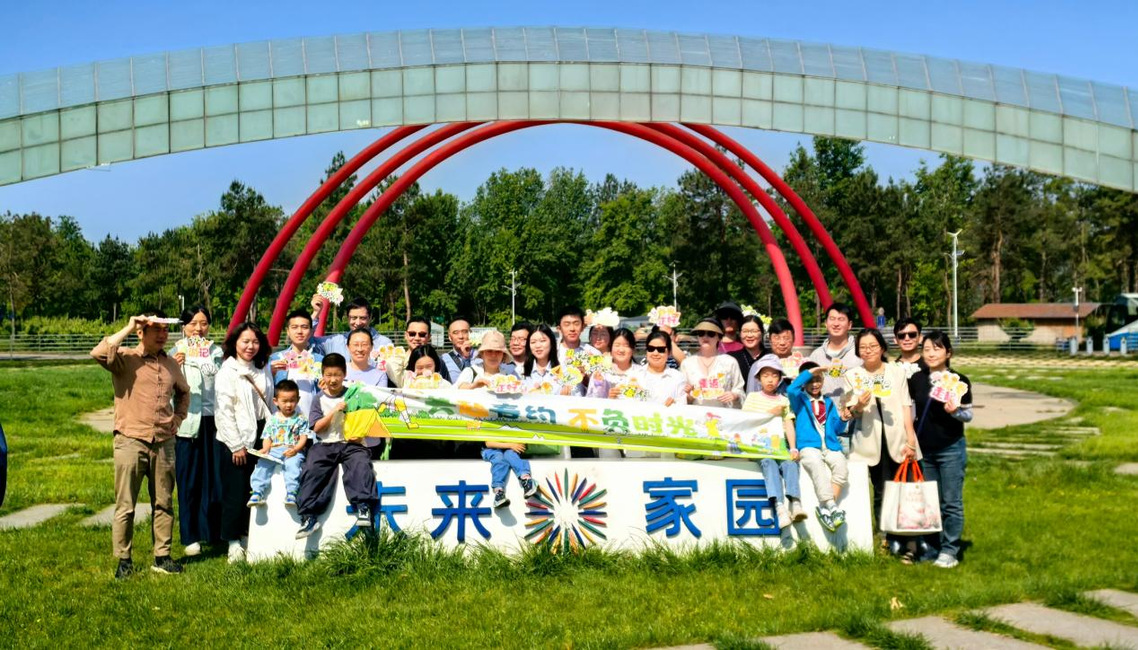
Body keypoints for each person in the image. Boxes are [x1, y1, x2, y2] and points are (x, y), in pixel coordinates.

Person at [91, 312, 190, 578]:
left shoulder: (171, 363)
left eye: (165, 330)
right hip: (131, 439)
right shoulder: (124, 358)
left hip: (164, 442)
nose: (162, 334)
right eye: (155, 329)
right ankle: (124, 560)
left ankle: (162, 556)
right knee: (126, 504)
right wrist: (128, 326)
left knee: (164, 502)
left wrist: (178, 418)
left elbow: (184, 392)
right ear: (141, 332)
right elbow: (98, 353)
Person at [844, 328, 921, 562]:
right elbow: (849, 412)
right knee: (880, 492)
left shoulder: (896, 371)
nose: (868, 351)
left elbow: (906, 405)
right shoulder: (853, 375)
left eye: (872, 346)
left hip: (899, 439)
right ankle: (884, 539)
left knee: (906, 491)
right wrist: (859, 404)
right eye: (863, 347)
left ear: (882, 348)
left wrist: (911, 439)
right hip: (871, 443)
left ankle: (910, 545)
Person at [295, 353, 378, 539]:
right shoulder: (318, 398)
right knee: (312, 467)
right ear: (323, 375)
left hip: (351, 443)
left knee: (361, 464)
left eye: (337, 375)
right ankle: (309, 516)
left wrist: (359, 434)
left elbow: (367, 419)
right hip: (326, 444)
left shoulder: (354, 395)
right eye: (329, 375)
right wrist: (334, 410)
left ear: (344, 374)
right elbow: (316, 428)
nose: (333, 380)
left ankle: (363, 508)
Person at [908, 330, 973, 569]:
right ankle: (931, 547)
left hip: (950, 448)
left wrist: (955, 411)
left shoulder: (959, 380)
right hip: (924, 451)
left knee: (951, 502)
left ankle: (950, 550)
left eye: (937, 348)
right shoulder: (916, 379)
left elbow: (968, 414)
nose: (931, 354)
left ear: (948, 352)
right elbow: (910, 411)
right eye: (926, 349)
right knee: (929, 503)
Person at [214, 321, 274, 563]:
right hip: (235, 437)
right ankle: (232, 541)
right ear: (235, 343)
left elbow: (268, 404)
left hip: (261, 434)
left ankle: (249, 535)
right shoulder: (227, 371)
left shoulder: (263, 367)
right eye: (245, 341)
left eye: (255, 342)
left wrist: (270, 435)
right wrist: (236, 445)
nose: (251, 346)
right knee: (235, 492)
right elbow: (224, 411)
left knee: (256, 488)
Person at [172, 305, 224, 558]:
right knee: (188, 480)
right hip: (187, 422)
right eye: (192, 323)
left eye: (203, 323)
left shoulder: (217, 352)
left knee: (214, 479)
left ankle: (212, 532)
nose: (198, 329)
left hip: (214, 421)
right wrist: (173, 367)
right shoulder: (174, 353)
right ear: (184, 327)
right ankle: (190, 536)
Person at [786, 362, 851, 531]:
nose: (814, 384)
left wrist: (843, 419)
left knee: (841, 467)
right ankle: (832, 507)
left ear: (823, 380)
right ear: (803, 381)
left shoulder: (828, 401)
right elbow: (791, 389)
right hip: (808, 446)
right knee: (816, 466)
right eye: (810, 380)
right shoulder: (798, 399)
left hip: (830, 445)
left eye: (818, 380)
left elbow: (836, 429)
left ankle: (825, 508)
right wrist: (814, 370)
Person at [741, 357, 804, 529]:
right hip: (758, 447)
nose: (770, 379)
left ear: (780, 379)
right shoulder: (752, 397)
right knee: (769, 463)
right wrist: (770, 413)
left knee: (790, 463)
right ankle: (779, 506)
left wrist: (793, 447)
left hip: (779, 445)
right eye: (766, 375)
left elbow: (788, 424)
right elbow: (746, 421)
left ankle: (795, 502)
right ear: (758, 379)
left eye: (774, 375)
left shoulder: (784, 400)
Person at [247, 379, 309, 508]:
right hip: (274, 449)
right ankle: (257, 492)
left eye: (292, 401)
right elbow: (267, 436)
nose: (288, 405)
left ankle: (292, 492)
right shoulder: (272, 419)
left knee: (293, 464)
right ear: (276, 401)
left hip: (293, 450)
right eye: (284, 401)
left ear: (298, 400)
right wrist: (265, 449)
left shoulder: (301, 419)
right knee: (263, 463)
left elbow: (303, 438)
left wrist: (296, 449)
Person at [269, 310, 325, 418]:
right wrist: (269, 373)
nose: (299, 331)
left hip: (312, 421)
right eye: (294, 327)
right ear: (288, 331)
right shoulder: (276, 359)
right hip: (284, 423)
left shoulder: (320, 361)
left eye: (304, 327)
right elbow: (267, 391)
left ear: (311, 331)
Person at [680, 318, 744, 408]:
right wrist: (689, 395)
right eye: (701, 333)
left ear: (719, 337)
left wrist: (734, 395)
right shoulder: (687, 363)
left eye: (711, 334)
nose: (705, 337)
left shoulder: (730, 362)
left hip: (724, 413)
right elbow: (681, 397)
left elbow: (740, 390)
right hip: (696, 414)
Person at [309, 295, 394, 358]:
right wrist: (316, 313)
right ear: (347, 318)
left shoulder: (384, 344)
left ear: (370, 317)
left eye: (363, 318)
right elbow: (307, 342)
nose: (358, 323)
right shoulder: (336, 342)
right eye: (354, 318)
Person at [809, 302, 864, 399]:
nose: (836, 324)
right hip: (824, 408)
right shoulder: (816, 355)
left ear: (849, 325)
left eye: (841, 319)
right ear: (826, 324)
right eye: (832, 319)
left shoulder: (861, 353)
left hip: (855, 408)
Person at [634, 330, 688, 406]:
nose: (655, 353)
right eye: (651, 349)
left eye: (661, 350)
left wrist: (675, 405)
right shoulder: (635, 375)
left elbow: (682, 405)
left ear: (669, 352)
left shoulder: (678, 377)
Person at [588, 328, 637, 399]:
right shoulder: (600, 373)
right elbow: (591, 400)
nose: (621, 350)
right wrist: (609, 399)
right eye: (617, 345)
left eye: (626, 346)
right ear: (610, 348)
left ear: (633, 350)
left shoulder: (641, 373)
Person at [386, 316, 432, 387]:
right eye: (412, 334)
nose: (417, 338)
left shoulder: (438, 362)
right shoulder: (395, 361)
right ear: (405, 335)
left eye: (422, 335)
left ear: (429, 337)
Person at [521, 324, 563, 394]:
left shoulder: (562, 370)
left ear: (551, 343)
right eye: (533, 342)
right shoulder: (521, 371)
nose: (538, 346)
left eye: (542, 341)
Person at [731, 314, 769, 383]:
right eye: (745, 331)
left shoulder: (771, 356)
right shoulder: (732, 358)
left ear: (762, 333)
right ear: (740, 334)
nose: (749, 335)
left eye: (754, 331)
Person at [441, 316, 474, 382]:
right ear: (450, 337)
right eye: (456, 332)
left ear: (471, 334)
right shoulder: (443, 359)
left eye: (465, 332)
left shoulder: (482, 356)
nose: (461, 336)